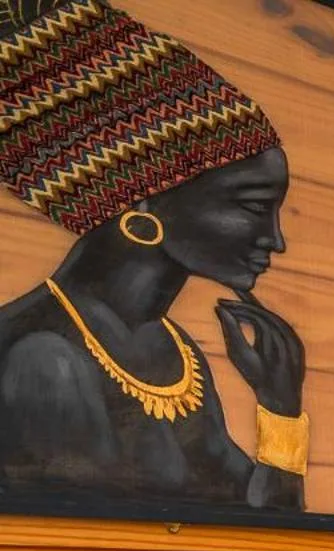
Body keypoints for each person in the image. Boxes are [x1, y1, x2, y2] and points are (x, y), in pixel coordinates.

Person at [0, 0, 308, 508]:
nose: (275, 239)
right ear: (144, 201)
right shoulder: (43, 359)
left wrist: (281, 407)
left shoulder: (170, 348)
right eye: (254, 206)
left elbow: (264, 525)